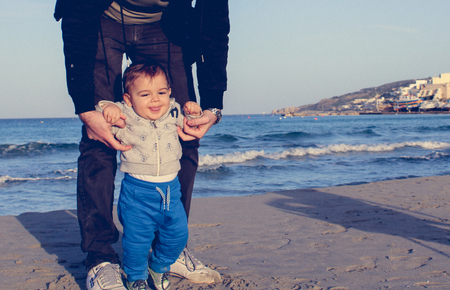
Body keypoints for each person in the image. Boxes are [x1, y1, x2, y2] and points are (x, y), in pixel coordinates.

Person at [54, 1, 229, 290]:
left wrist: (213, 102)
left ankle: (169, 251)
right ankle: (100, 259)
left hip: (167, 23)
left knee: (186, 130)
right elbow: (76, 15)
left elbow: (214, 21)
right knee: (100, 136)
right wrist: (84, 106)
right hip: (101, 15)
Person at [97, 61, 201, 290]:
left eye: (161, 92)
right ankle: (135, 277)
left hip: (171, 191)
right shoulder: (125, 114)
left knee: (178, 236)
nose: (155, 100)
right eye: (145, 94)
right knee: (136, 242)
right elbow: (100, 113)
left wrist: (193, 110)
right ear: (128, 99)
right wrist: (108, 108)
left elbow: (191, 124)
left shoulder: (173, 111)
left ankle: (158, 266)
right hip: (138, 193)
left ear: (169, 92)